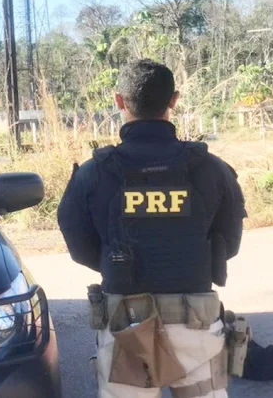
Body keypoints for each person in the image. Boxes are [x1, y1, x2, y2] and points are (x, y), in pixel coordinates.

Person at [58, 59, 247, 398]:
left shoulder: (92, 174)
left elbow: (80, 248)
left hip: (124, 329)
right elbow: (229, 244)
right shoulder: (213, 169)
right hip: (198, 329)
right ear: (173, 100)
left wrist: (115, 261)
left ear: (119, 101)